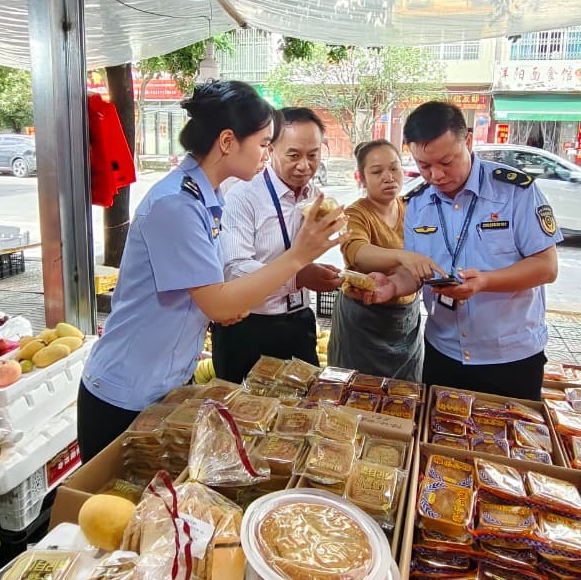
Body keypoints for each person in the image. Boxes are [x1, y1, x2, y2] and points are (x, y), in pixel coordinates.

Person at [78, 83, 345, 462]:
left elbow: (207, 292)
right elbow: (218, 303)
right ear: (227, 141)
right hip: (125, 391)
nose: (267, 155)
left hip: (166, 380)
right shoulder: (177, 204)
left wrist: (216, 306)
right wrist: (299, 256)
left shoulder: (208, 197)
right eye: (264, 144)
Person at [355, 101, 562, 400]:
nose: (436, 175)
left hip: (510, 358)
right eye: (424, 166)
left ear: (468, 140)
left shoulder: (515, 192)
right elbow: (415, 273)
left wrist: (486, 282)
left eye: (446, 162)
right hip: (444, 353)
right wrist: (393, 286)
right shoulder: (418, 203)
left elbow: (546, 267)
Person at [212, 107, 344, 384]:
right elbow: (233, 270)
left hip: (299, 322)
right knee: (244, 416)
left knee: (303, 413)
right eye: (293, 155)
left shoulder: (316, 197)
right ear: (270, 149)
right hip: (247, 328)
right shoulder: (243, 196)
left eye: (313, 155)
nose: (305, 165)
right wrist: (298, 276)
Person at [328, 140, 444, 381]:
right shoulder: (355, 213)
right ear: (361, 177)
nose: (388, 177)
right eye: (377, 171)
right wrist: (403, 256)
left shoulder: (414, 209)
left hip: (404, 317)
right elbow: (357, 251)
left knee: (404, 392)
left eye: (394, 168)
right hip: (362, 318)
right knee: (355, 389)